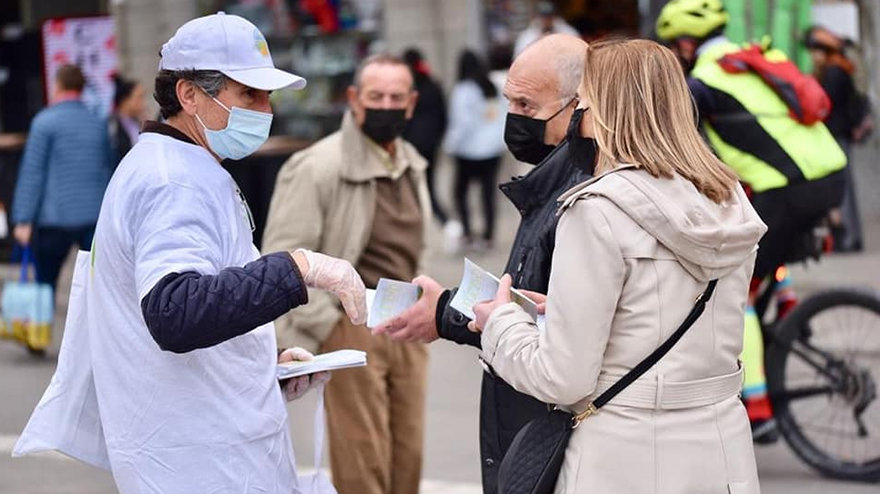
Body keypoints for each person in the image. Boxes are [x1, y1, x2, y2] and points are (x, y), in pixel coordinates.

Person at [84, 12, 367, 493]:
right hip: (197, 460)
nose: (265, 109)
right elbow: (175, 310)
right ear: (189, 94)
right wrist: (296, 269)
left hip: (211, 442)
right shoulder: (171, 180)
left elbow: (205, 290)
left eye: (268, 95)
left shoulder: (184, 164)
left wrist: (260, 362)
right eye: (249, 94)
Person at [470, 38, 765, 493]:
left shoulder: (598, 210)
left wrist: (501, 323)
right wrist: (563, 309)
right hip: (723, 451)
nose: (578, 120)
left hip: (624, 456)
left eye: (583, 105)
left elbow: (562, 378)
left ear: (607, 112)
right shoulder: (727, 200)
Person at [373, 34, 593, 494]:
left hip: (557, 439)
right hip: (538, 430)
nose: (513, 117)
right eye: (509, 101)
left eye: (527, 106)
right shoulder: (552, 183)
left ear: (578, 107)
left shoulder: (583, 198)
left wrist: (445, 312)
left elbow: (555, 331)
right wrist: (447, 309)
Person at [656, 0, 846, 440]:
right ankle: (788, 307)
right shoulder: (750, 59)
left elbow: (675, 143)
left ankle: (758, 411)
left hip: (789, 189)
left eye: (676, 46)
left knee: (734, 289)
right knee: (758, 249)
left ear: (686, 43)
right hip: (829, 176)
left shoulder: (703, 84)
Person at [263, 53, 430, 494]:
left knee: (408, 452)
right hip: (352, 324)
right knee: (362, 456)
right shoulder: (317, 166)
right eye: (376, 96)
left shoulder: (412, 162)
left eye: (396, 97)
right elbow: (283, 255)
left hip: (409, 323)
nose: (386, 106)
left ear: (411, 103)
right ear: (354, 99)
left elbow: (421, 244)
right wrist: (326, 323)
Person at [11, 64, 112, 290]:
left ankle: (46, 314)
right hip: (94, 216)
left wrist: (24, 219)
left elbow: (33, 172)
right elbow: (108, 168)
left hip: (54, 218)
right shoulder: (97, 122)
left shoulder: (44, 122)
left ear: (57, 85)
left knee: (45, 285)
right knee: (97, 285)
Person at [805, 25, 872, 252]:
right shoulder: (839, 68)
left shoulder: (834, 72)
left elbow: (825, 104)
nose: (813, 57)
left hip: (837, 135)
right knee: (843, 186)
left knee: (843, 188)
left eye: (816, 51)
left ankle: (848, 236)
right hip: (838, 135)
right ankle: (849, 236)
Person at [445, 49, 506, 250]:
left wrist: (450, 145)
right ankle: (488, 235)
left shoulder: (463, 90)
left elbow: (462, 123)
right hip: (492, 150)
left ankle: (468, 232)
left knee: (460, 193)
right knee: (488, 194)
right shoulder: (492, 87)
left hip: (468, 151)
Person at [402, 47, 450, 225]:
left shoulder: (407, 89)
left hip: (412, 144)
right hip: (431, 144)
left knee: (412, 186)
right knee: (429, 183)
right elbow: (443, 117)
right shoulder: (433, 85)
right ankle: (440, 218)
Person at [513, 1, 579, 57]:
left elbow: (576, 51)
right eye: (544, 16)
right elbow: (518, 56)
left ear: (554, 16)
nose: (546, 20)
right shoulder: (528, 35)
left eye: (549, 16)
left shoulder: (566, 31)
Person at [108, 74, 146, 166]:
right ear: (125, 100)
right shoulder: (112, 126)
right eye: (139, 97)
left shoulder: (139, 124)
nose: (143, 103)